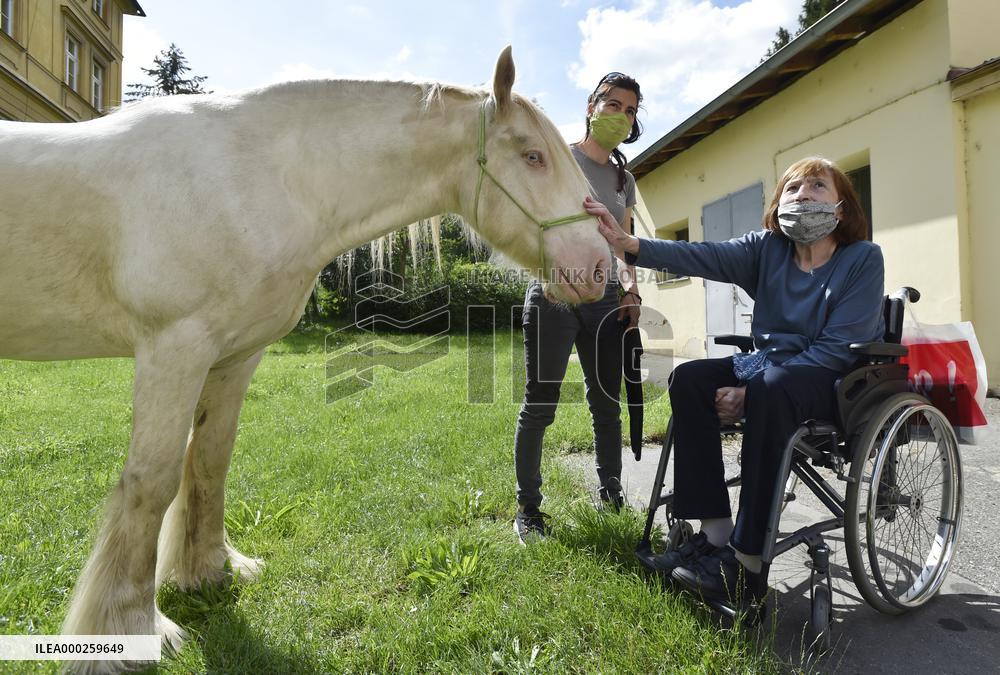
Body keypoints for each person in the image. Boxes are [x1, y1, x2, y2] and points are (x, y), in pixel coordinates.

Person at [586, 156, 885, 599]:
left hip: (831, 378)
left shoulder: (862, 258)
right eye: (793, 188)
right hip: (768, 368)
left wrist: (747, 394)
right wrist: (628, 243)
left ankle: (746, 563)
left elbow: (837, 348)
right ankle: (715, 532)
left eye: (818, 186)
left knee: (769, 389)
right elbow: (702, 255)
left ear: (841, 207)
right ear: (779, 203)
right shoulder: (768, 249)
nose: (803, 195)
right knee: (689, 379)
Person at [512, 72, 644, 543]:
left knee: (606, 405)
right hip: (554, 294)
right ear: (591, 105)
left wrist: (629, 290)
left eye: (630, 110)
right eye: (612, 104)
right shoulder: (558, 159)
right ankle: (528, 509)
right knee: (540, 406)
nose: (620, 116)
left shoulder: (623, 179)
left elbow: (625, 245)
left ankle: (610, 495)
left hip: (606, 298)